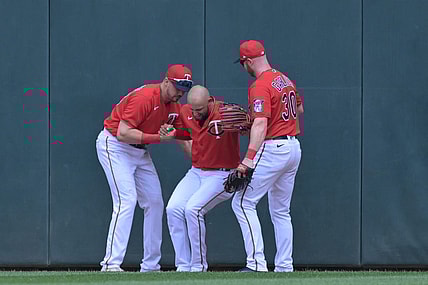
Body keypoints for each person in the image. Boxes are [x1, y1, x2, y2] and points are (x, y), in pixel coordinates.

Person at [95, 64, 193, 272]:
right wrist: (159, 138)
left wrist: (201, 163)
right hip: (114, 145)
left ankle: (150, 265)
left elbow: (183, 139)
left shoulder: (174, 107)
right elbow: (123, 132)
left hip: (139, 150)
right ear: (166, 81)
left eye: (184, 89)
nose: (180, 93)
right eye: (177, 87)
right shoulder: (146, 97)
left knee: (155, 202)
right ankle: (111, 264)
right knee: (126, 200)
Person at [232, 40, 304, 272]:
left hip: (273, 149)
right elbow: (299, 110)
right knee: (281, 211)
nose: (244, 67)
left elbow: (262, 123)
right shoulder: (284, 79)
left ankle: (255, 264)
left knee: (242, 203)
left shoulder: (260, 85)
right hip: (293, 148)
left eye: (243, 63)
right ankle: (285, 266)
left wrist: (248, 159)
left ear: (249, 61)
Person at [164, 85, 241, 272]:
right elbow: (185, 133)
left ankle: (198, 266)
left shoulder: (225, 112)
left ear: (209, 101)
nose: (196, 113)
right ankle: (183, 265)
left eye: (199, 109)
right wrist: (173, 133)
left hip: (222, 173)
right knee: (173, 209)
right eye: (193, 109)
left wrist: (245, 126)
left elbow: (248, 127)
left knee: (193, 210)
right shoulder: (186, 111)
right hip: (197, 171)